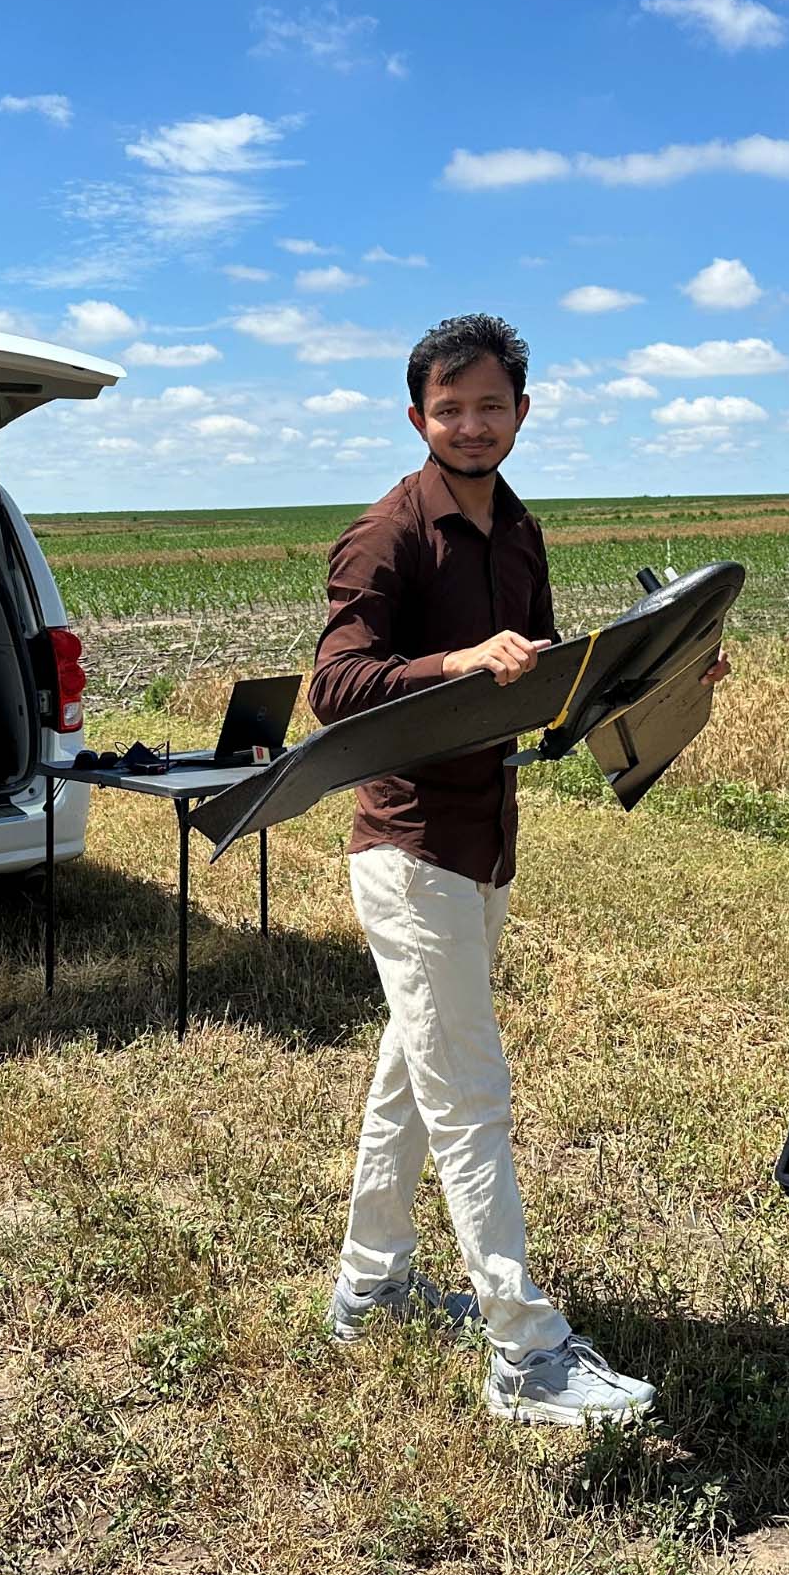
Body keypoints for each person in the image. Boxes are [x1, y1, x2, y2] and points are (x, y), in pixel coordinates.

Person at [306, 311, 725, 1426]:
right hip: (409, 852)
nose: (472, 424)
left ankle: (369, 1288)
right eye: (450, 408)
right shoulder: (386, 535)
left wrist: (662, 670)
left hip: (485, 842)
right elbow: (336, 688)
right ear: (417, 418)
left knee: (415, 1076)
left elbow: (541, 699)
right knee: (471, 1096)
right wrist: (457, 661)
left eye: (491, 405)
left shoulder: (521, 533)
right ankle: (525, 1353)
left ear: (522, 413)